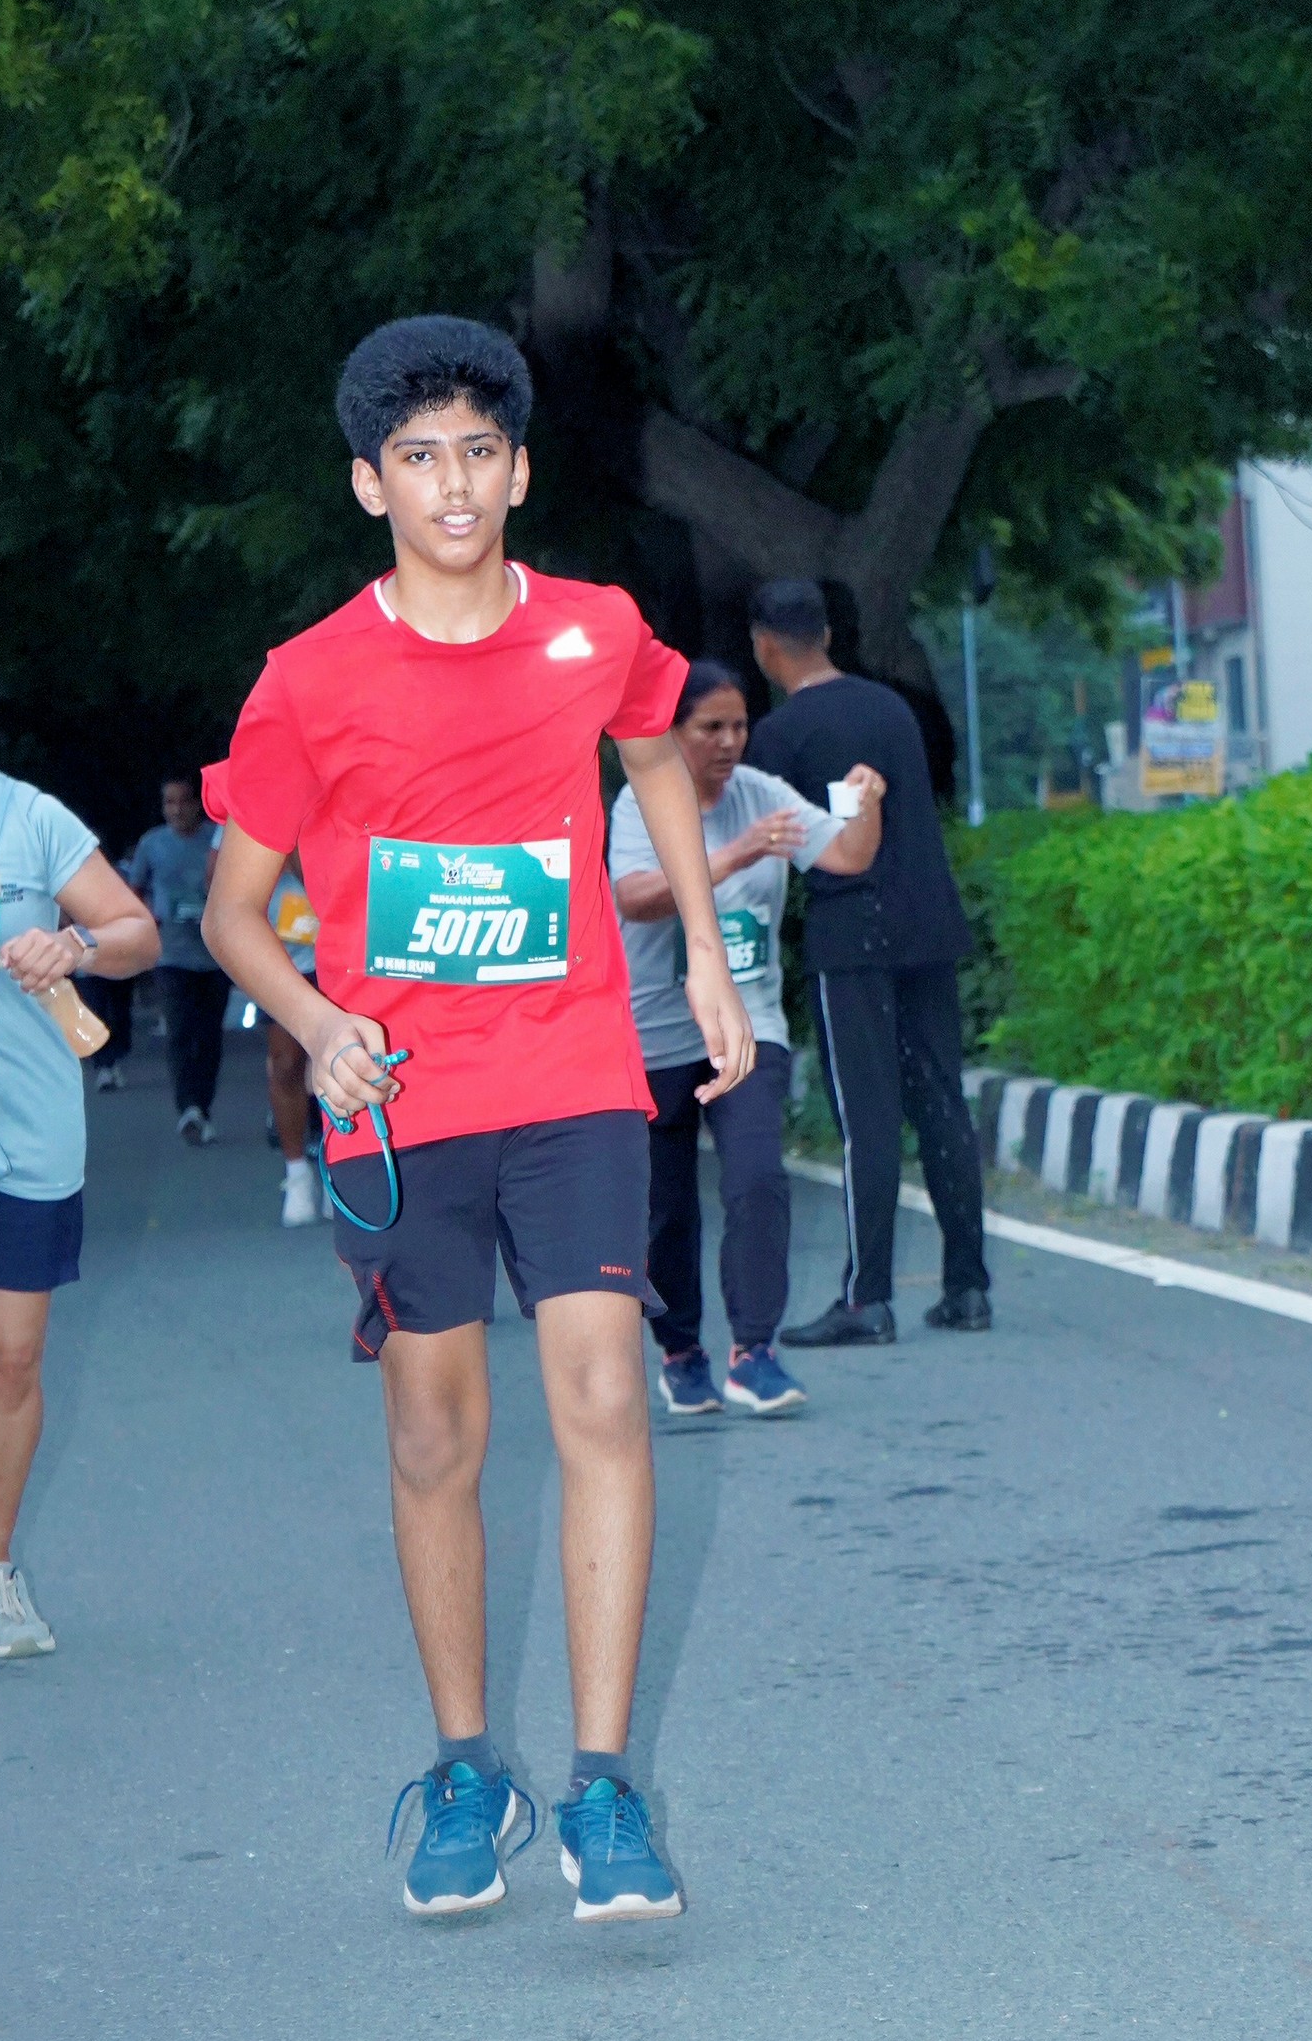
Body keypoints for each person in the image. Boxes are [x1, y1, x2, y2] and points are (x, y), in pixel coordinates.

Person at [202, 315, 752, 1924]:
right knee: (437, 1434)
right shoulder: (309, 679)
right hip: (404, 1103)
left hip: (572, 1074)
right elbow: (236, 911)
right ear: (369, 484)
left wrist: (704, 956)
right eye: (419, 457)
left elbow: (656, 757)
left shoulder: (596, 628)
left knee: (605, 1395)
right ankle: (464, 1770)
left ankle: (603, 1790)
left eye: (480, 453)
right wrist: (322, 1025)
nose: (453, 483)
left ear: (519, 470)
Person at [0, 604, 159, 1673]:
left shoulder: (29, 818)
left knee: (10, 1357)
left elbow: (138, 932)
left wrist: (73, 945)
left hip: (32, 1123)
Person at [611, 656, 883, 1423]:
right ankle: (680, 1353)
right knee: (666, 1212)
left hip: (748, 1022)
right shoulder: (639, 803)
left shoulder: (763, 795)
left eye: (739, 726)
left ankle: (753, 1351)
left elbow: (848, 855)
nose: (730, 742)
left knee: (758, 1179)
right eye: (711, 727)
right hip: (655, 1032)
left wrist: (866, 803)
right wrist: (736, 854)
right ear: (672, 732)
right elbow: (634, 898)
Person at [746, 579, 991, 1343]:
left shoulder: (779, 737)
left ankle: (867, 1298)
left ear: (764, 646)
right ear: (826, 633)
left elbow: (778, 852)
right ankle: (968, 1287)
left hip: (851, 936)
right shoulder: (892, 708)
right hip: (929, 924)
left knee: (868, 1117)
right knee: (942, 1102)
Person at [127, 774, 229, 1143]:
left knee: (209, 1035)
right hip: (170, 956)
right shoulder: (152, 843)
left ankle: (203, 1105)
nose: (177, 810)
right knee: (180, 1032)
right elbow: (133, 890)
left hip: (216, 954)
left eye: (183, 801)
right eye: (169, 803)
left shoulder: (216, 840)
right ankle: (188, 1108)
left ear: (197, 804)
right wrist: (147, 918)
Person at [268, 862, 325, 1226]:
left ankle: (338, 1167)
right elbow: (217, 878)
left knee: (341, 1058)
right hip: (284, 956)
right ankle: (297, 1173)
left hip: (344, 950)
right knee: (287, 1063)